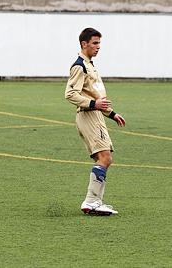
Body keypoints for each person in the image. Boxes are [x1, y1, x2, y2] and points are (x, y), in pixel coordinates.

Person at [65, 27, 126, 216]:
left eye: (99, 43)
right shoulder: (79, 66)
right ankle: (91, 201)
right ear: (84, 44)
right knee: (104, 158)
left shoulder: (90, 64)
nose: (98, 47)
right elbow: (70, 94)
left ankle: (95, 201)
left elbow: (95, 94)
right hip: (88, 115)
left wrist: (112, 113)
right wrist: (94, 104)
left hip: (96, 114)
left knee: (105, 159)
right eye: (95, 43)